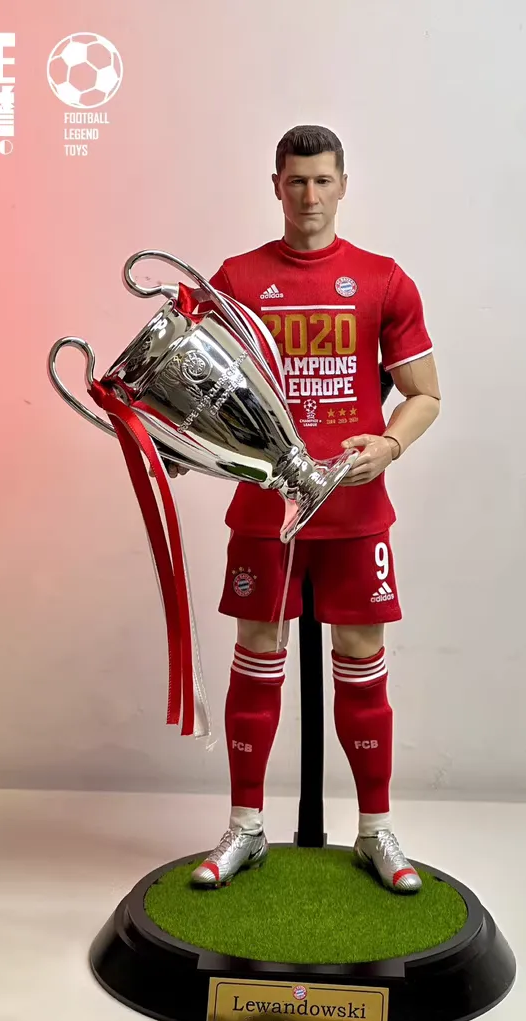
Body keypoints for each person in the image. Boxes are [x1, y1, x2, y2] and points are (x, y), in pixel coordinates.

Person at [174, 125, 441, 894]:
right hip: (267, 508)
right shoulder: (237, 278)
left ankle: (376, 830)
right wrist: (180, 441)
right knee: (257, 651)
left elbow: (425, 395)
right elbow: (198, 387)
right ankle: (246, 827)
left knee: (361, 658)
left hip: (355, 511)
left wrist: (388, 445)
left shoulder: (383, 279)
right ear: (276, 187)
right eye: (296, 181)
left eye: (323, 180)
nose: (310, 196)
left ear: (343, 185)